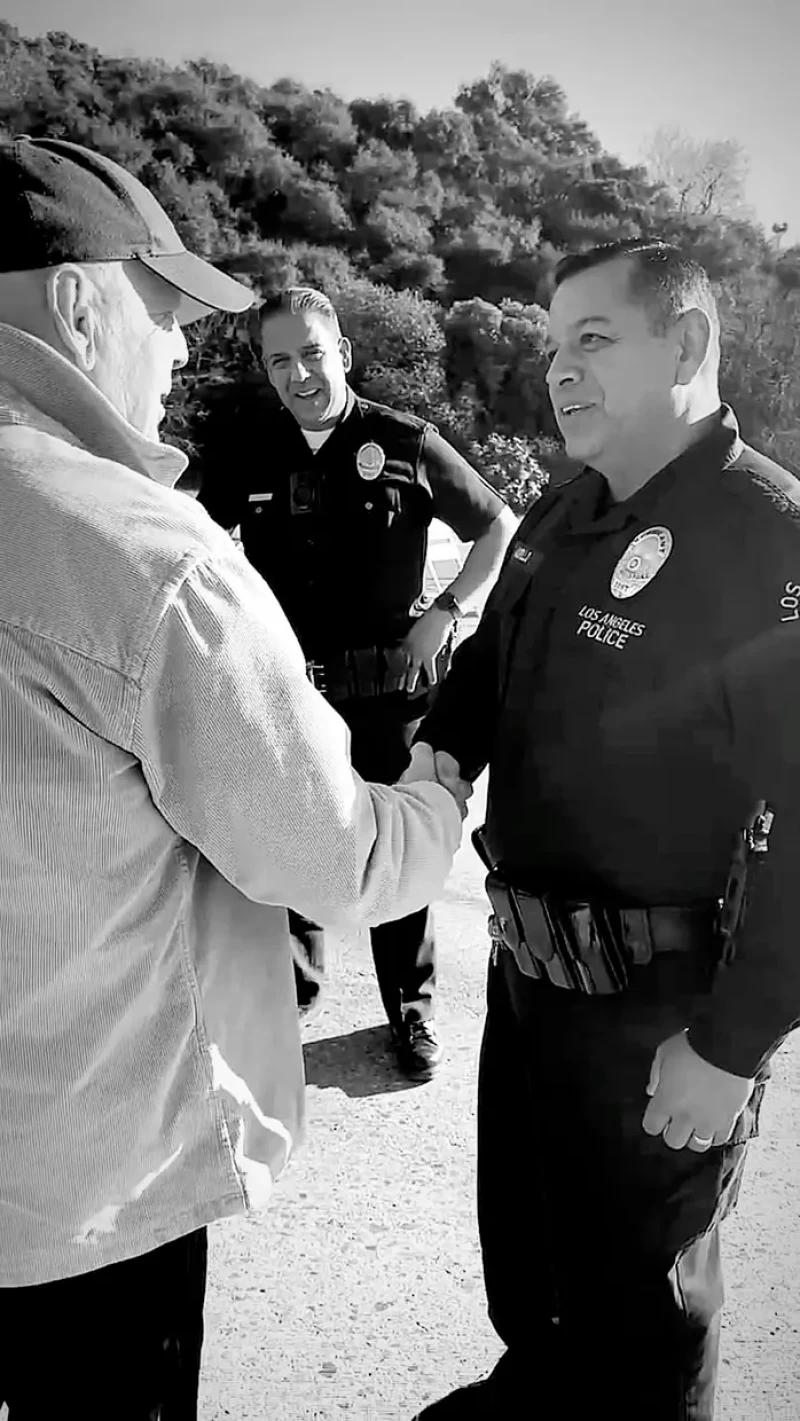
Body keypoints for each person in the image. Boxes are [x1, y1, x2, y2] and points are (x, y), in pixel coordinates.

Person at [0, 135, 467, 1420]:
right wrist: (438, 791)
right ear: (84, 304)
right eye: (169, 311)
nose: (185, 353)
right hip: (82, 1195)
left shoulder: (396, 440)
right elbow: (331, 855)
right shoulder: (143, 554)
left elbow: (488, 531)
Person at [407, 238, 800, 1420]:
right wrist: (443, 746)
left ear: (684, 345)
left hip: (659, 1016)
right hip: (528, 986)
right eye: (550, 346)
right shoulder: (562, 509)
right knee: (533, 1281)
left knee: (639, 1322)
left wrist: (731, 1043)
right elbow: (487, 662)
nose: (557, 371)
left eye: (592, 340)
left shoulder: (766, 536)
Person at [199, 287, 517, 1079]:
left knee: (392, 855)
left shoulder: (402, 439)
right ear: (266, 372)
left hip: (389, 695)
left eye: (312, 352)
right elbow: (196, 539)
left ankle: (411, 1013)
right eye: (280, 360)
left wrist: (446, 611)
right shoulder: (249, 447)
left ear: (342, 351)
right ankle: (293, 994)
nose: (299, 373)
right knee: (293, 841)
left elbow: (496, 525)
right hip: (290, 695)